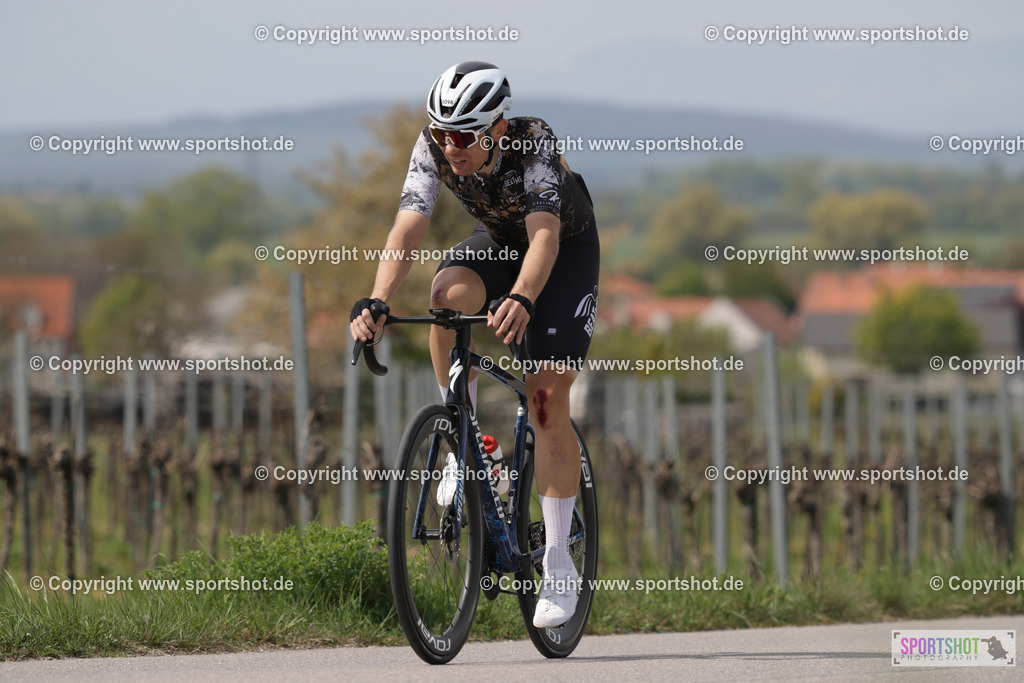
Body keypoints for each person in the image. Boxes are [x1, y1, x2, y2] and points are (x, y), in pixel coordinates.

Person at [349, 60, 599, 628]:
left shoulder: (532, 143)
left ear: (496, 130)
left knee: (545, 396)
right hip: (499, 241)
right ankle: (465, 437)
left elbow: (544, 236)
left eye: (462, 136)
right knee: (446, 295)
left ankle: (559, 563)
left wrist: (525, 298)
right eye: (441, 132)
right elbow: (410, 224)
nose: (450, 146)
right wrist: (378, 298)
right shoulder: (435, 144)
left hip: (560, 252)